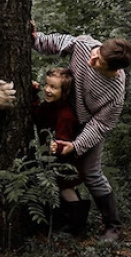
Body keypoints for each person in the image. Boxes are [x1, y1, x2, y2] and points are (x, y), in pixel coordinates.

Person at [31, 21, 131, 241]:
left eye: (99, 62)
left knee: (91, 173)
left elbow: (101, 125)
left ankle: (112, 226)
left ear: (113, 69)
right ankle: (71, 219)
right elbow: (60, 42)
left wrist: (77, 145)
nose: (92, 59)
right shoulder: (86, 46)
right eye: (96, 53)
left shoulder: (115, 92)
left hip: (89, 126)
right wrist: (35, 38)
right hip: (66, 116)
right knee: (61, 170)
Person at [32, 67, 90, 236]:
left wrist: (56, 145)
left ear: (64, 92)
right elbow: (37, 115)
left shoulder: (65, 113)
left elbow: (64, 138)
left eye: (54, 87)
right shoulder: (49, 106)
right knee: (59, 188)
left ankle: (77, 227)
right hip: (53, 159)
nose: (48, 90)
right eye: (46, 85)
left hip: (66, 160)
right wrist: (34, 94)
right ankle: (62, 221)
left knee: (66, 188)